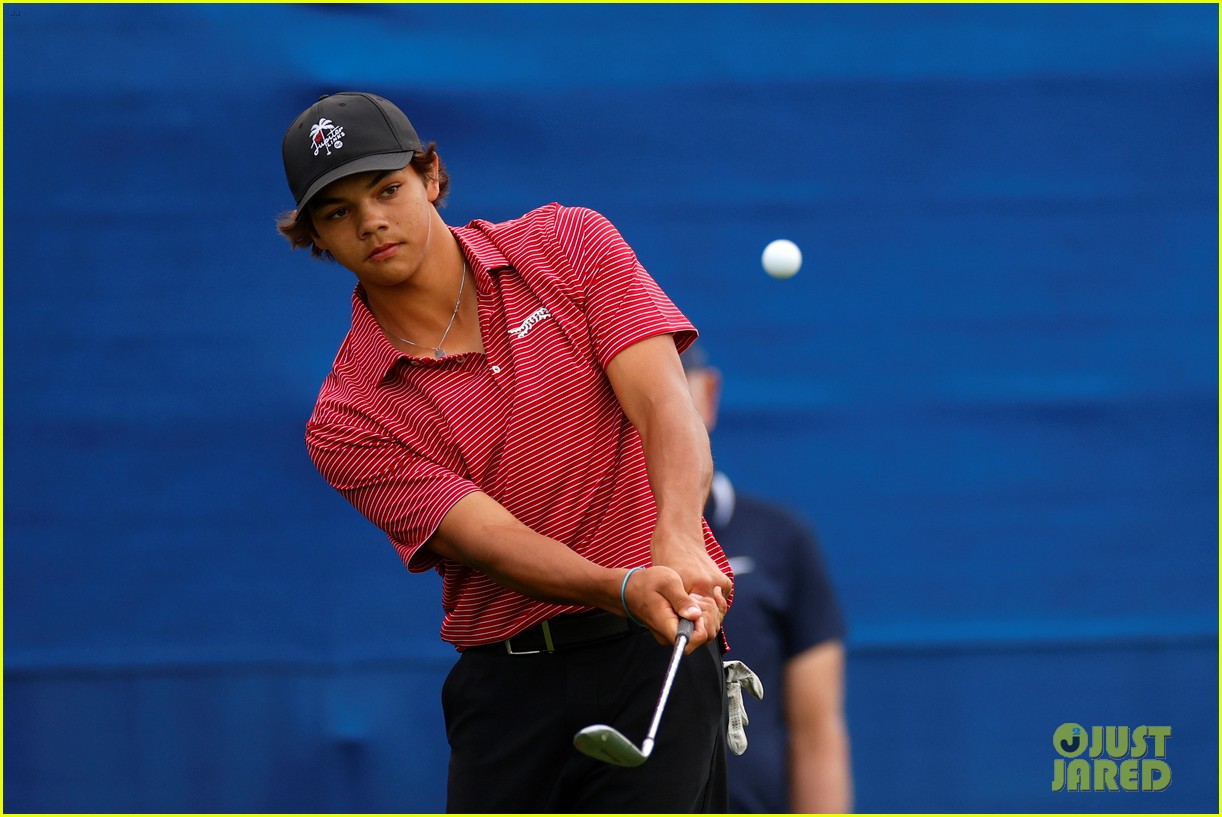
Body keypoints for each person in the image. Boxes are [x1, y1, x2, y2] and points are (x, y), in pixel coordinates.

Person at [276, 92, 734, 812]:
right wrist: (621, 584)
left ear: (430, 175)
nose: (371, 221)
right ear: (316, 238)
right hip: (508, 690)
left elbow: (663, 404)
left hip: (653, 656)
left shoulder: (568, 243)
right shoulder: (346, 416)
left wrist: (676, 530)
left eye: (387, 189)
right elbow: (492, 539)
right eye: (337, 212)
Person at [682, 342, 854, 813]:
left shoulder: (781, 537)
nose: (663, 405)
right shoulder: (583, 541)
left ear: (709, 395)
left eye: (678, 384)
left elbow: (817, 730)